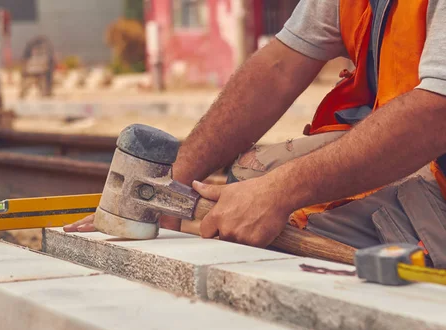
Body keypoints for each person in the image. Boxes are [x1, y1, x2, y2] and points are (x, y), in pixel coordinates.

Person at [65, 0, 446, 269]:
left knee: (289, 225)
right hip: (418, 148)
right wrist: (165, 187)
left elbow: (435, 114)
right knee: (251, 177)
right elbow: (278, 68)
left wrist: (282, 193)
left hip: (435, 164)